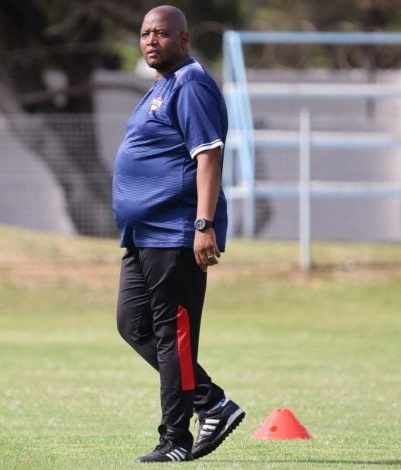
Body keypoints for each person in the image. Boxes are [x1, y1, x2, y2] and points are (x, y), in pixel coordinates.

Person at [112, 5, 244, 463]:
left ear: (183, 39)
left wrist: (203, 224)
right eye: (145, 32)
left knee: (173, 336)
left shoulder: (191, 84)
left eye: (162, 33)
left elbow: (209, 155)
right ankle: (212, 402)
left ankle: (175, 438)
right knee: (134, 325)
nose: (151, 40)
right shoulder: (162, 85)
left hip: (175, 231)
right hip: (143, 234)